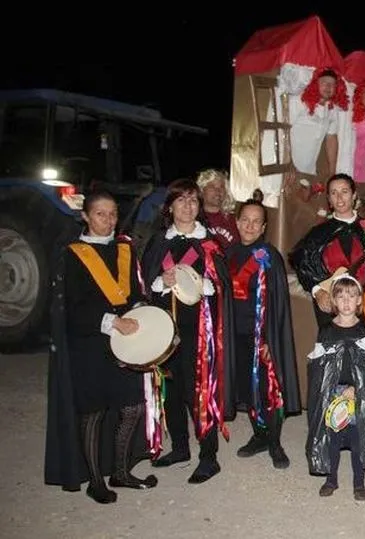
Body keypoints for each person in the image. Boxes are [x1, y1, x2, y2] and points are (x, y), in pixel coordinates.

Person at [44, 190, 158, 503]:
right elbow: (71, 307)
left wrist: (141, 310)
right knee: (93, 413)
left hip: (125, 342)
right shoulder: (71, 253)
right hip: (89, 343)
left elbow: (133, 291)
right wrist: (112, 321)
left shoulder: (125, 248)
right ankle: (96, 480)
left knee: (132, 407)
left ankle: (120, 471)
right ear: (85, 216)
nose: (108, 221)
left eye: (112, 215)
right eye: (99, 214)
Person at [141, 178, 235, 484]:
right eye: (181, 200)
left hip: (199, 330)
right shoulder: (159, 242)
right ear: (170, 207)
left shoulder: (209, 243)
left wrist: (200, 283)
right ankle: (180, 447)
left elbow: (222, 287)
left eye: (193, 200)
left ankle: (209, 457)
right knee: (172, 391)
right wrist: (161, 283)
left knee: (200, 392)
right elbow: (146, 286)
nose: (188, 206)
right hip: (165, 330)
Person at [226, 193, 301, 469]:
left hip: (262, 337)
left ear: (264, 227)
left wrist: (269, 338)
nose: (249, 225)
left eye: (256, 221)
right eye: (245, 219)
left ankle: (275, 441)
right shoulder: (229, 254)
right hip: (236, 335)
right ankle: (258, 435)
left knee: (269, 390)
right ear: (237, 221)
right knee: (248, 389)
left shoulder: (269, 256)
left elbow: (277, 303)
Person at [305, 276, 365, 501]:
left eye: (351, 297)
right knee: (332, 438)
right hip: (333, 395)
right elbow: (320, 366)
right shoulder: (326, 330)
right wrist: (328, 389)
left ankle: (359, 483)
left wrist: (360, 384)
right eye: (340, 296)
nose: (345, 302)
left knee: (356, 439)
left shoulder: (364, 331)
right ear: (333, 300)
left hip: (356, 395)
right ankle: (331, 479)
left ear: (359, 301)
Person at [288, 173, 365, 330]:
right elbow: (302, 264)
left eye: (344, 191)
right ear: (329, 200)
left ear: (354, 196)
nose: (339, 197)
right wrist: (318, 291)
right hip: (330, 304)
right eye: (334, 193)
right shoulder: (318, 233)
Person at [197, 168, 239, 250]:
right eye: (212, 186)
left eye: (221, 187)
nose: (218, 191)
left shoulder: (235, 220)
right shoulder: (193, 218)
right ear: (202, 190)